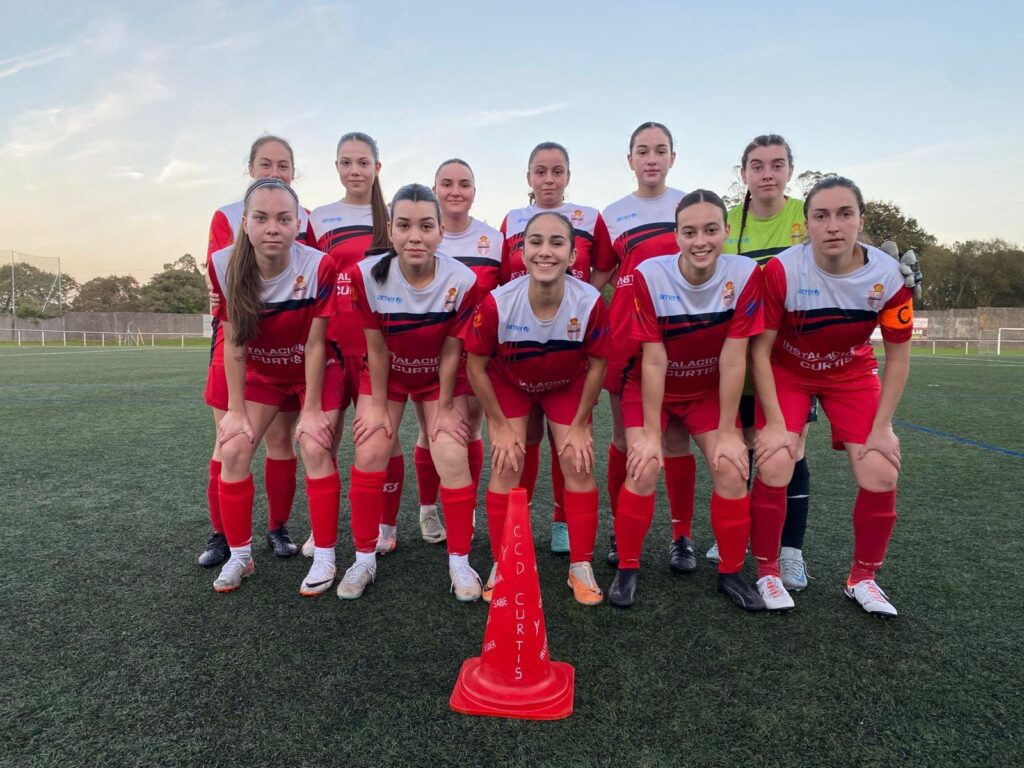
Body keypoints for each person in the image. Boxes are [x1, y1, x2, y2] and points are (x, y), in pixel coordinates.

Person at [749, 176, 913, 616]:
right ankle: (766, 570)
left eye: (844, 214)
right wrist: (777, 424)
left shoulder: (888, 276)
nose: (833, 225)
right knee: (777, 458)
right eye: (821, 215)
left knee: (881, 470)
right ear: (805, 225)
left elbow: (897, 359)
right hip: (789, 370)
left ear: (861, 220)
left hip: (851, 372)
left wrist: (884, 427)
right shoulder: (782, 270)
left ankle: (863, 579)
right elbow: (759, 351)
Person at [610, 190, 765, 610]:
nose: (701, 241)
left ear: (726, 231)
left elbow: (735, 357)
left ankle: (731, 573)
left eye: (711, 230)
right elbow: (654, 361)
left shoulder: (745, 274)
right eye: (690, 231)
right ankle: (627, 567)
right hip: (649, 387)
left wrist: (732, 430)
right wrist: (648, 433)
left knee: (733, 467)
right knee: (642, 465)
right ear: (676, 235)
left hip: (705, 391)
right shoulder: (650, 274)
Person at [341, 183, 482, 602]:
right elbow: (377, 348)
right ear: (390, 229)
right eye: (403, 226)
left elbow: (453, 350)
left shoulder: (463, 279)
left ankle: (459, 562)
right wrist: (380, 408)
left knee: (451, 452)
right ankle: (364, 557)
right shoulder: (365, 276)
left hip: (439, 374)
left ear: (441, 231)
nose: (414, 236)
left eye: (425, 226)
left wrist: (442, 409)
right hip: (388, 374)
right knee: (371, 448)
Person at [465, 211, 610, 606]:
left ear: (573, 255)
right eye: (536, 242)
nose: (546, 251)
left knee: (578, 460)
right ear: (522, 252)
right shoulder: (498, 302)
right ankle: (504, 562)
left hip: (565, 384)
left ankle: (580, 566)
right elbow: (475, 365)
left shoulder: (590, 301)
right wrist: (500, 425)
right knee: (507, 461)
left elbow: (597, 364)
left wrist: (580, 424)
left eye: (557, 243)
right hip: (511, 383)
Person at [208, 177, 341, 595]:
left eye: (283, 219)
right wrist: (235, 408)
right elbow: (234, 341)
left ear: (298, 224)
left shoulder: (319, 265)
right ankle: (240, 556)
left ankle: (325, 555)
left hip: (313, 370)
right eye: (262, 218)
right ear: (245, 223)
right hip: (262, 372)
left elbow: (317, 344)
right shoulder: (225, 263)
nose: (273, 228)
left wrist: (314, 407)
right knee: (233, 446)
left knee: (315, 443)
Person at [704, 134, 816, 592]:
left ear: (790, 170)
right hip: (735, 355)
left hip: (789, 358)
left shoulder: (807, 218)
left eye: (776, 164)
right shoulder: (727, 223)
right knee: (741, 445)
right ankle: (735, 531)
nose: (766, 173)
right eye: (757, 165)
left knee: (789, 449)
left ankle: (790, 551)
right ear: (743, 173)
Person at [199, 135, 311, 568]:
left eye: (284, 166)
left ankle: (278, 528)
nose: (274, 172)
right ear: (250, 168)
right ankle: (222, 535)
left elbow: (308, 268)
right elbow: (220, 279)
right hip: (238, 338)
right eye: (266, 164)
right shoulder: (228, 215)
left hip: (286, 345)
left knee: (282, 440)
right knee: (228, 437)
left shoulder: (300, 215)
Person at [498, 141, 616, 554]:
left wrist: (581, 296)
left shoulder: (589, 217)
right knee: (525, 436)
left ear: (568, 175)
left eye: (557, 171)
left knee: (568, 439)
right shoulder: (512, 220)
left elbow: (605, 262)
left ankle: (563, 521)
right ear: (528, 177)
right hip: (524, 343)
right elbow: (502, 274)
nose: (549, 179)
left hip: (571, 340)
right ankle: (521, 515)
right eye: (540, 171)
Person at [306, 133, 420, 555]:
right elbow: (307, 278)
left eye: (363, 162)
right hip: (335, 343)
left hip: (379, 345)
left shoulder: (391, 217)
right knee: (328, 438)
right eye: (346, 162)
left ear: (377, 167)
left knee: (382, 437)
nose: (355, 170)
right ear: (336, 167)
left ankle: (386, 526)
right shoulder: (319, 218)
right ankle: (325, 530)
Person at [601, 121, 694, 573]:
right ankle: (622, 535)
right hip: (627, 337)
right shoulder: (613, 213)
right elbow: (597, 277)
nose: (651, 158)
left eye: (660, 150)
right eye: (643, 150)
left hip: (683, 334)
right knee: (624, 437)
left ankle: (682, 536)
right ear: (630, 159)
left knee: (675, 439)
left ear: (673, 157)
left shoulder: (690, 206)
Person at [409, 159, 502, 530]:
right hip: (431, 349)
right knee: (430, 430)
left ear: (474, 192)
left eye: (464, 184)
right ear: (434, 191)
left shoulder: (492, 239)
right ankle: (428, 509)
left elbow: (504, 294)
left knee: (471, 429)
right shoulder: (425, 235)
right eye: (446, 184)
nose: (455, 191)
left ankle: (466, 507)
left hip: (477, 353)